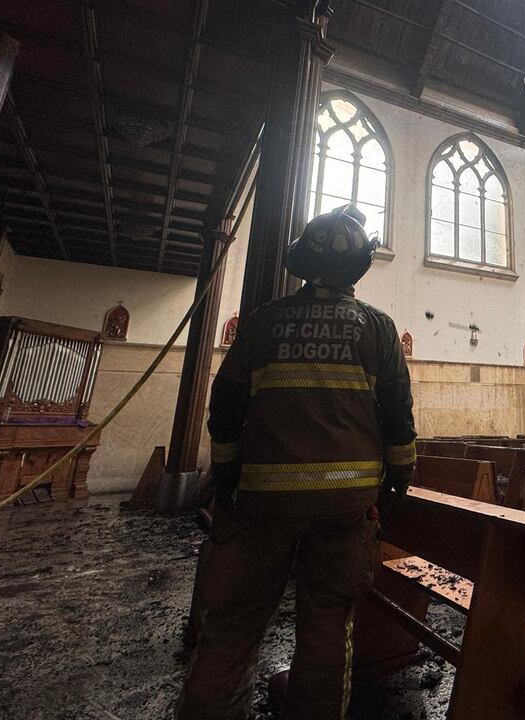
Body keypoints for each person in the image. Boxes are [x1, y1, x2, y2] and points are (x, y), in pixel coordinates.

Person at [177, 205, 415, 720]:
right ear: (359, 269)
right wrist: (397, 481)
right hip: (345, 508)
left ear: (302, 263)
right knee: (328, 626)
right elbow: (398, 417)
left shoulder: (264, 323)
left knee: (234, 627)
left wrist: (227, 472)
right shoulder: (377, 328)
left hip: (260, 505)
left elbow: (227, 404)